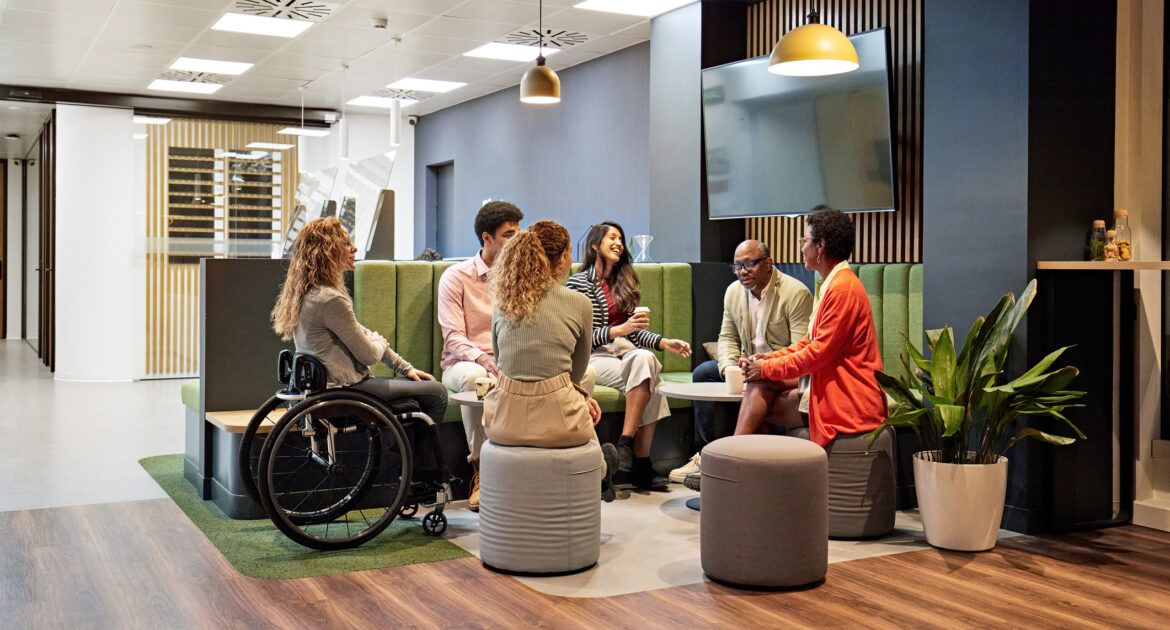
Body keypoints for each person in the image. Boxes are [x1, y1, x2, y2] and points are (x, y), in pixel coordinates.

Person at [483, 220, 619, 501]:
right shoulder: (579, 302)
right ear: (562, 259)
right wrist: (578, 397)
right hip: (560, 424)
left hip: (503, 422)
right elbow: (576, 372)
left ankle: (600, 468)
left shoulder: (502, 302)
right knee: (580, 406)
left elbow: (502, 363)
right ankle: (602, 471)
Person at [270, 216, 448, 425]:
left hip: (323, 389)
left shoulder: (310, 294)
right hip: (344, 390)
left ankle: (405, 454)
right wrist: (380, 341)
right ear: (327, 252)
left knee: (414, 397)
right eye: (346, 244)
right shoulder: (331, 299)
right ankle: (416, 458)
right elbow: (369, 354)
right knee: (437, 392)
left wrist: (406, 368)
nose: (354, 249)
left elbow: (362, 334)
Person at [735, 207, 886, 446]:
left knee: (758, 395)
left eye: (804, 240)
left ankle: (733, 463)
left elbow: (817, 353)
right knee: (758, 392)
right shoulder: (832, 283)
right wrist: (766, 360)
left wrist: (766, 369)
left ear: (821, 246)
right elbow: (808, 342)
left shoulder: (843, 288)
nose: (802, 247)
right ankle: (746, 470)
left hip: (848, 395)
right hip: (828, 381)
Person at [668, 239, 813, 483]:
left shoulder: (795, 293)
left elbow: (800, 351)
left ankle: (726, 462)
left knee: (760, 383)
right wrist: (729, 369)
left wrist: (764, 367)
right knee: (704, 372)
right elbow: (727, 337)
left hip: (781, 369)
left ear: (768, 264)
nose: (742, 271)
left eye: (749, 263)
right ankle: (707, 452)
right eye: (737, 266)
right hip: (747, 365)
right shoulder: (734, 292)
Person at [567, 221, 692, 490]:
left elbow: (633, 334)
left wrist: (664, 342)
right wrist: (617, 331)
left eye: (621, 239)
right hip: (593, 357)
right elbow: (579, 336)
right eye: (612, 237)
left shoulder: (624, 282)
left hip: (625, 354)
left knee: (647, 360)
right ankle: (642, 463)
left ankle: (625, 443)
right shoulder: (578, 282)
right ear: (593, 244)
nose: (619, 243)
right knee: (651, 379)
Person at [437, 201, 522, 512]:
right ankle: (481, 472)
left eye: (518, 233)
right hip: (463, 364)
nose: (517, 240)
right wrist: (488, 361)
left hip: (507, 361)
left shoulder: (519, 279)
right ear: (487, 238)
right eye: (509, 235)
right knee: (478, 379)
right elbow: (454, 338)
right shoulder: (456, 277)